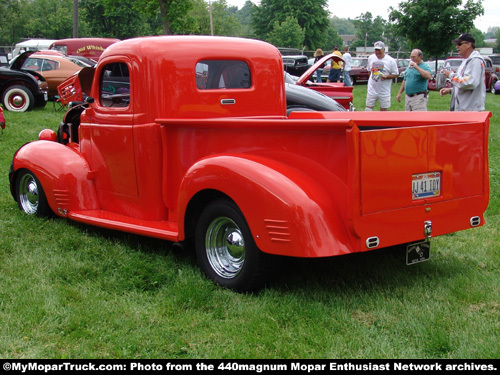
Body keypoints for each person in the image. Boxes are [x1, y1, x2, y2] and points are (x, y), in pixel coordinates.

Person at [439, 33, 486, 111]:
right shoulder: (466, 61)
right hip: (463, 109)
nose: (457, 47)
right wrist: (451, 90)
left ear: (468, 44)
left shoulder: (475, 61)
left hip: (470, 110)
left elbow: (470, 82)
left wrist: (451, 75)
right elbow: (463, 82)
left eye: (459, 44)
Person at [365, 41, 399, 111]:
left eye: (379, 50)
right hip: (372, 89)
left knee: (383, 110)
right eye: (376, 50)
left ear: (384, 49)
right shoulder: (371, 58)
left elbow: (396, 74)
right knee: (368, 108)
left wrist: (386, 77)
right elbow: (369, 71)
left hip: (384, 90)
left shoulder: (390, 61)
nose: (377, 52)